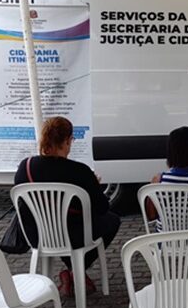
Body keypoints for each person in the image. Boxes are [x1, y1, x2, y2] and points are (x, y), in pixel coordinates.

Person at [14, 116, 121, 297]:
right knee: (113, 220)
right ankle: (75, 270)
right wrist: (93, 185)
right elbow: (102, 208)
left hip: (37, 235)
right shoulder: (80, 171)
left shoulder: (26, 165)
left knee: (65, 227)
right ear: (67, 140)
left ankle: (71, 273)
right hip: (74, 236)